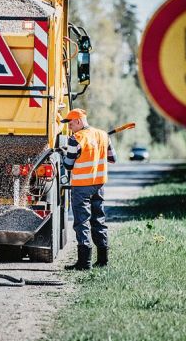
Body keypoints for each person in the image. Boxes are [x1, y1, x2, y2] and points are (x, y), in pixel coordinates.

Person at [61, 108, 116, 270]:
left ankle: (84, 263)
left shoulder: (76, 139)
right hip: (99, 186)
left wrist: (66, 153)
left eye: (70, 124)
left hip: (81, 187)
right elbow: (113, 159)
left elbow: (68, 165)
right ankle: (102, 260)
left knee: (82, 222)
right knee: (99, 220)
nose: (69, 128)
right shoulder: (103, 135)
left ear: (78, 121)